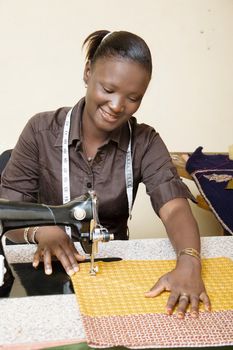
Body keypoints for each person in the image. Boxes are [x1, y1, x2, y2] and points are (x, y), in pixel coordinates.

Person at [0, 30, 210, 318]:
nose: (117, 106)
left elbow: (174, 209)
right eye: (108, 90)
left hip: (113, 269)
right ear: (88, 72)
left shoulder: (145, 141)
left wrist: (189, 261)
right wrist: (41, 231)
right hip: (46, 265)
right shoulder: (40, 131)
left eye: (133, 97)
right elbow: (7, 212)